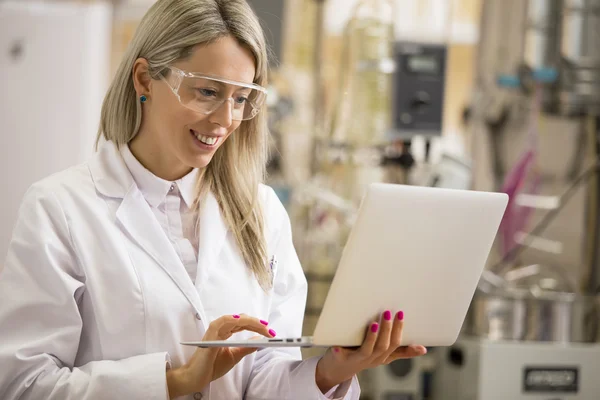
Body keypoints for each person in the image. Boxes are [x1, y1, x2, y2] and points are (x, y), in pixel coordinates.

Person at [0, 0, 427, 399]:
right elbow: (24, 383)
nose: (225, 120)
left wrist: (330, 371)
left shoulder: (261, 213)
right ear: (145, 78)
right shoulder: (60, 208)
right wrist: (174, 382)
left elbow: (263, 378)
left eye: (241, 98)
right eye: (207, 91)